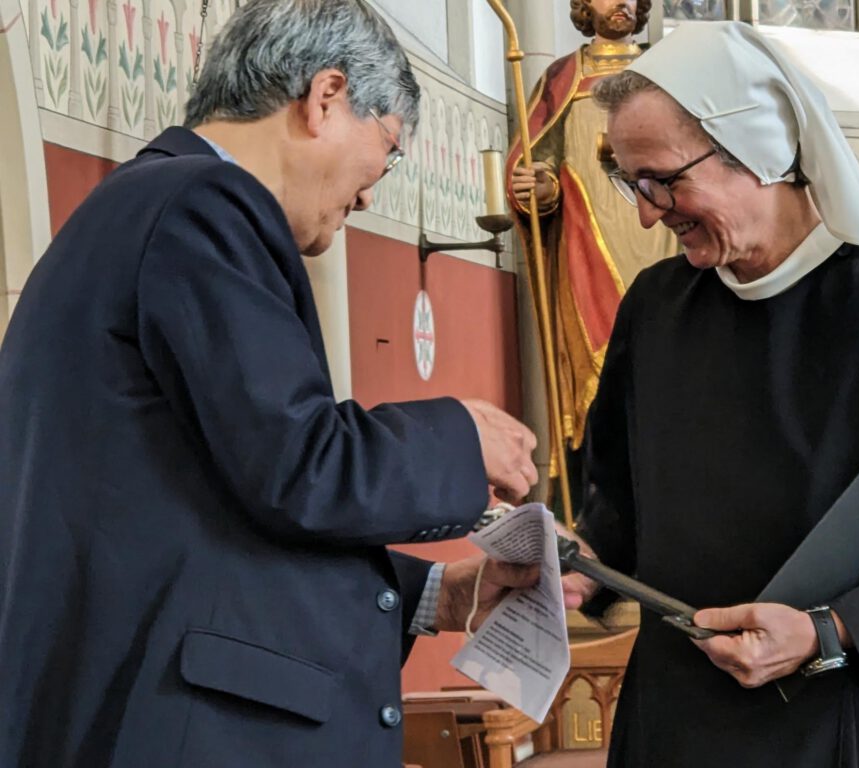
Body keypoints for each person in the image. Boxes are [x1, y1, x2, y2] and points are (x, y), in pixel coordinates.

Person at [0, 1, 540, 766]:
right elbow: (297, 461)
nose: (368, 196)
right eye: (386, 152)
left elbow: (207, 506)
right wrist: (461, 432)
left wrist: (435, 594)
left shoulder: (147, 204)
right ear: (326, 98)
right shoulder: (200, 201)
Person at [560, 21, 859, 767]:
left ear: (761, 149)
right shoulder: (653, 306)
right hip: (677, 723)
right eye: (630, 182)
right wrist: (578, 562)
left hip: (843, 719)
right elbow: (617, 508)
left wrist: (830, 629)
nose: (647, 212)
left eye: (663, 181)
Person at [506, 0, 677, 483]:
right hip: (588, 251)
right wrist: (540, 189)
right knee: (598, 378)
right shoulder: (564, 77)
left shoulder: (666, 70)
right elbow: (538, 164)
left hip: (663, 242)